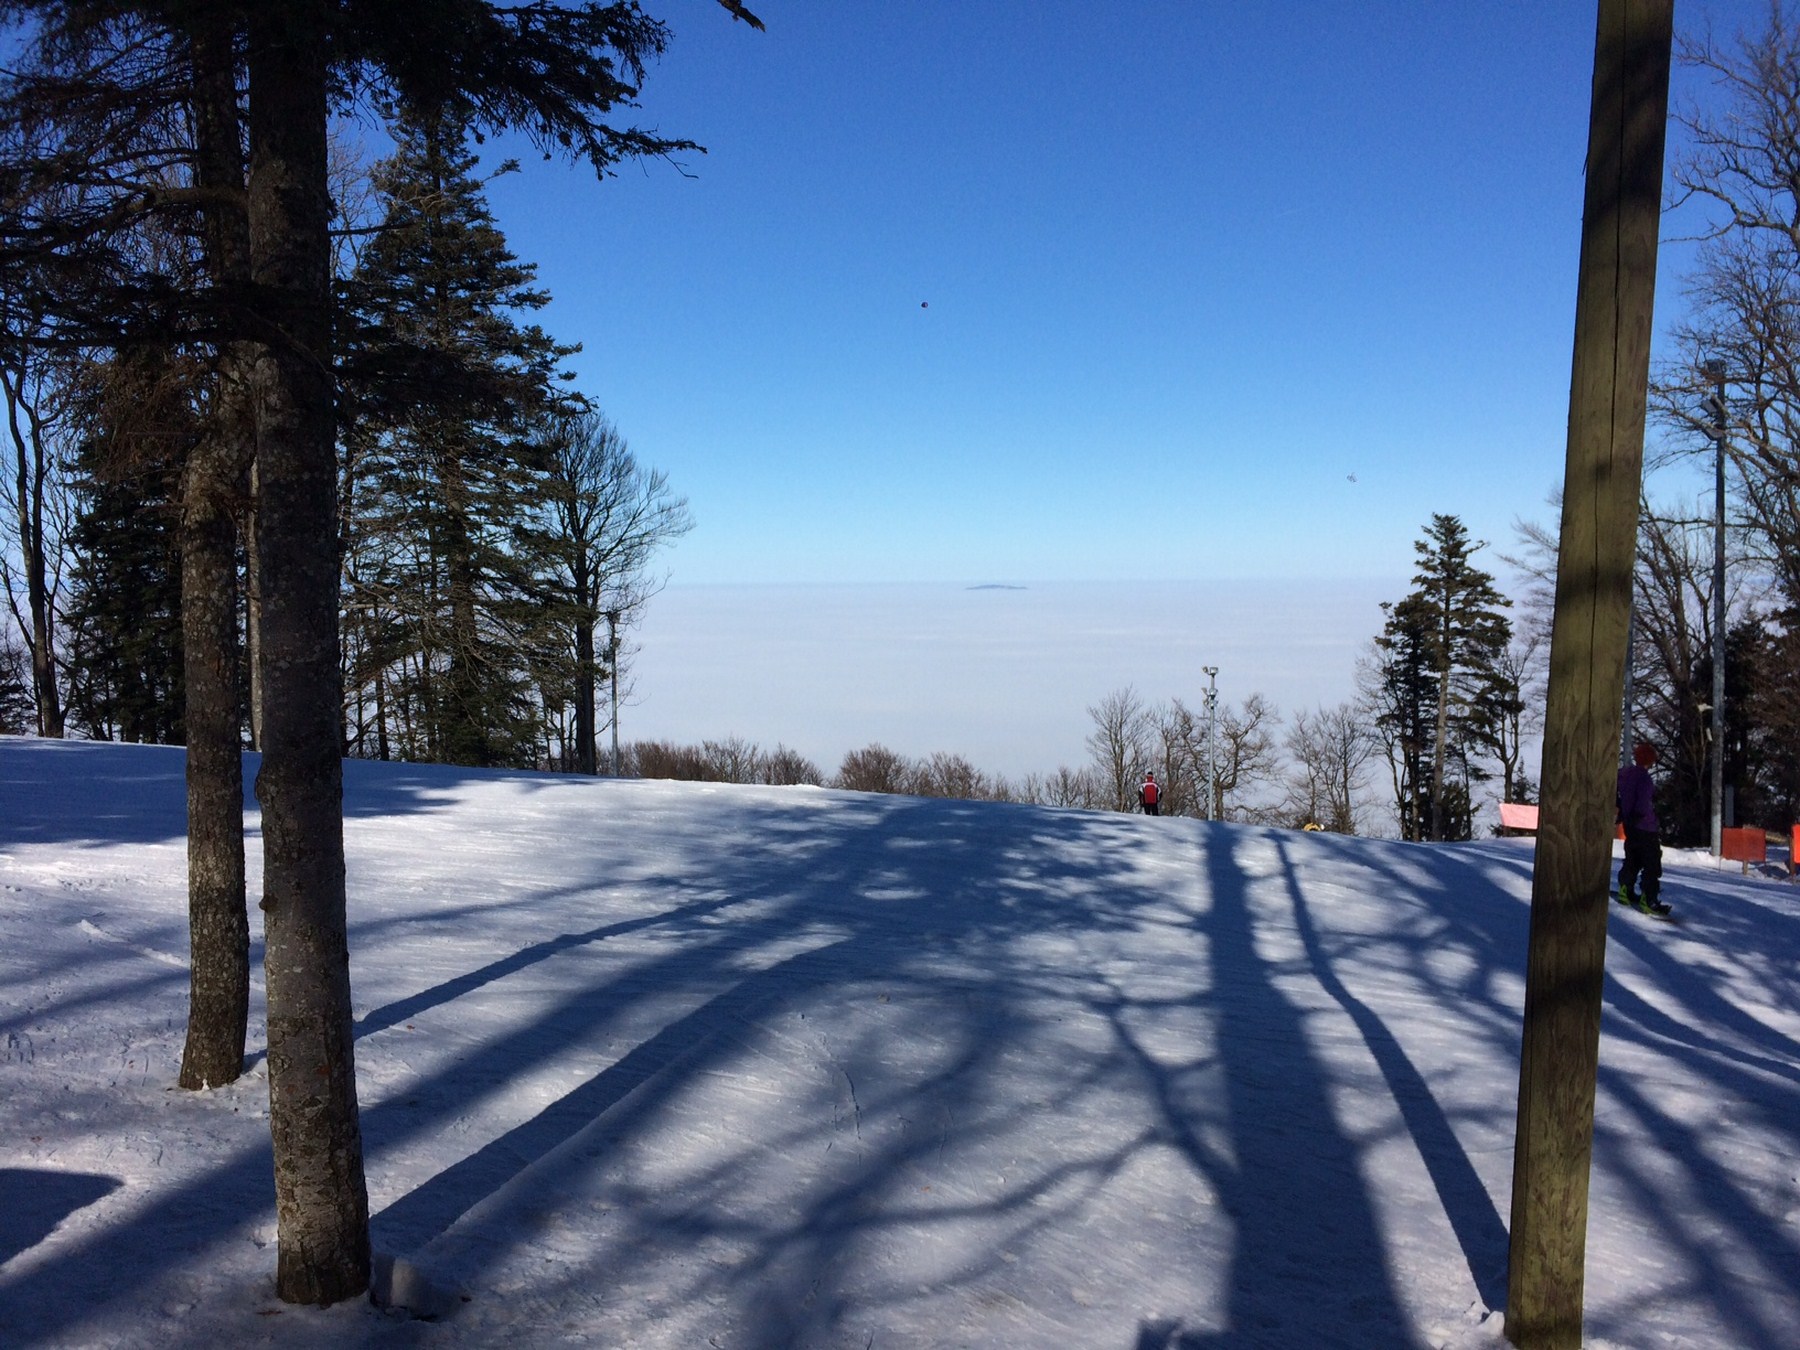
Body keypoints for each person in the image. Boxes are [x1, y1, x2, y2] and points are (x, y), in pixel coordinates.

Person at [1617, 741, 1669, 915]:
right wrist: (1640, 816)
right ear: (1650, 760)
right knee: (1651, 863)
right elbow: (1643, 802)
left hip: (1629, 825)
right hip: (1645, 826)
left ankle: (1625, 889)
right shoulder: (1644, 778)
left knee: (1633, 858)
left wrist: (1625, 814)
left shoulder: (1624, 774)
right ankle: (1649, 899)